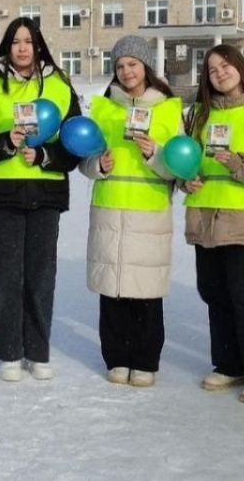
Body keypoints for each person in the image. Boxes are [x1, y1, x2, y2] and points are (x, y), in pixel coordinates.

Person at [0, 17, 80, 382]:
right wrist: (6, 143)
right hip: (2, 197)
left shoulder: (61, 88)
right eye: (15, 41)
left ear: (39, 46)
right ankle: (10, 352)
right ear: (6, 47)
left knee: (42, 278)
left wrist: (46, 156)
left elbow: (75, 142)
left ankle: (38, 351)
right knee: (7, 279)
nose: (22, 48)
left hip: (45, 195)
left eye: (28, 41)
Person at [180, 44, 244, 404]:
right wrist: (186, 180)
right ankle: (229, 363)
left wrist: (237, 162)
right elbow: (186, 159)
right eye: (211, 70)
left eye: (225, 66)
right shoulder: (198, 114)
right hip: (205, 215)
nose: (220, 73)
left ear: (241, 67)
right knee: (213, 293)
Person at [79, 36, 181, 388]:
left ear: (146, 66)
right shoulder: (105, 108)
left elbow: (179, 168)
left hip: (149, 213)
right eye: (120, 66)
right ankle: (117, 357)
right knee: (114, 290)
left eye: (133, 64)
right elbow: (85, 160)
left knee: (146, 292)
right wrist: (99, 165)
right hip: (109, 210)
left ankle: (146, 359)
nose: (126, 71)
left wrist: (156, 153)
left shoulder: (168, 109)